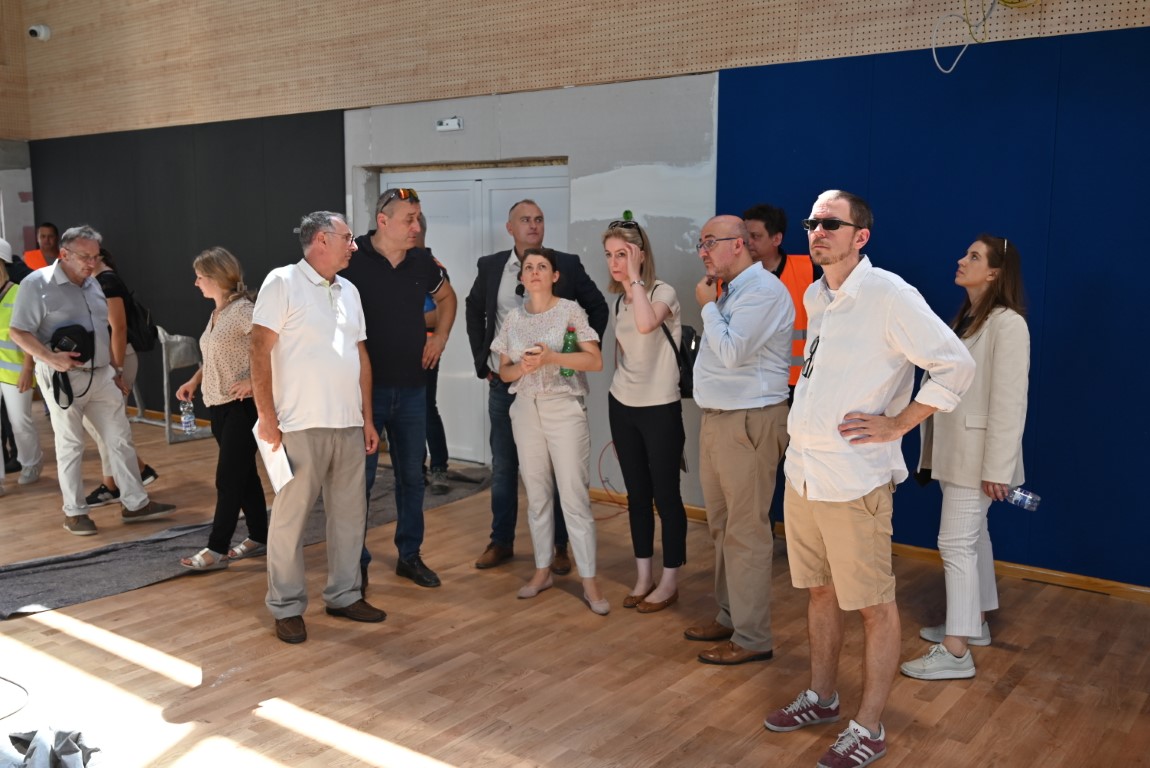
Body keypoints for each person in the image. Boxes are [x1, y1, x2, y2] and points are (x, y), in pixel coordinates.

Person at [763, 191, 974, 768]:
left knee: (874, 606)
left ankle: (870, 728)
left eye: (831, 224)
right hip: (805, 476)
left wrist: (900, 423)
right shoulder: (817, 294)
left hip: (855, 482)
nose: (818, 231)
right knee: (820, 591)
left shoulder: (888, 294)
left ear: (861, 236)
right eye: (813, 222)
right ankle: (822, 698)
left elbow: (956, 364)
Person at [900, 235, 1030, 681]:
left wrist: (998, 470)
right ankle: (974, 622)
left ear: (995, 272)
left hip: (978, 458)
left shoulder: (1008, 324)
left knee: (955, 544)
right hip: (959, 452)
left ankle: (956, 651)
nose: (961, 260)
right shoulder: (970, 319)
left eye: (974, 257)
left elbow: (1010, 402)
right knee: (975, 539)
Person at [251, 211, 384, 644]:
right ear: (322, 240)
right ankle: (286, 606)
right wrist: (267, 417)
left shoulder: (350, 290)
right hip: (298, 424)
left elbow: (360, 356)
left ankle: (344, 595)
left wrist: (367, 417)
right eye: (348, 237)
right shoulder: (282, 282)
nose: (354, 245)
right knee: (290, 520)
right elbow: (258, 349)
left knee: (350, 516)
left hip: (348, 423)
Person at [465, 199, 608, 571]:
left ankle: (560, 547)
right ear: (510, 227)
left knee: (559, 473)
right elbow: (474, 308)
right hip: (510, 383)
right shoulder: (491, 266)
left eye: (539, 219)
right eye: (525, 220)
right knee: (505, 467)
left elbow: (598, 308)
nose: (533, 225)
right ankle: (501, 541)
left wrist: (571, 355)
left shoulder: (567, 264)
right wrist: (485, 362)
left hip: (558, 388)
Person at [9, 225, 176, 535]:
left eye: (95, 256)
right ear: (64, 254)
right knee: (70, 444)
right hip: (63, 378)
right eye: (85, 257)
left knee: (120, 438)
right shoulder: (37, 284)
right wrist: (50, 359)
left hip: (102, 375)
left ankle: (135, 504)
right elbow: (18, 331)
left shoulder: (94, 285)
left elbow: (104, 331)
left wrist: (115, 370)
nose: (91, 263)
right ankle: (74, 513)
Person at [683, 216, 793, 664]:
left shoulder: (763, 290)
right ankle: (731, 616)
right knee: (722, 528)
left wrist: (707, 307)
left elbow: (731, 352)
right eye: (701, 243)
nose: (703, 251)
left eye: (710, 242)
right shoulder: (731, 291)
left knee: (746, 532)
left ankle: (752, 638)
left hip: (749, 421)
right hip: (719, 421)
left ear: (739, 244)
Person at [342, 188, 456, 589]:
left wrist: (440, 338)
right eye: (409, 219)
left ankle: (410, 555)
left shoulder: (421, 261)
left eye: (418, 218)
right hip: (364, 392)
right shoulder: (351, 257)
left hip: (411, 389)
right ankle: (354, 561)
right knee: (361, 482)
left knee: (411, 476)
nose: (416, 227)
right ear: (383, 220)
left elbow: (447, 298)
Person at [490, 248, 608, 613]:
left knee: (573, 496)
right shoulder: (513, 318)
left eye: (542, 266)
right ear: (522, 278)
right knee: (537, 494)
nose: (535, 271)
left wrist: (552, 357)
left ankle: (589, 580)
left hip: (563, 406)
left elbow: (595, 360)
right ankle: (542, 571)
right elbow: (504, 371)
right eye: (528, 267)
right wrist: (523, 368)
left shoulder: (570, 311)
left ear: (554, 276)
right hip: (525, 408)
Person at [602, 219, 687, 613]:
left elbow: (645, 323)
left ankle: (669, 581)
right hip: (623, 405)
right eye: (609, 255)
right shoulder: (618, 301)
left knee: (666, 496)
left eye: (622, 254)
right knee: (637, 495)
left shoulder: (661, 292)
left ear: (640, 254)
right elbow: (624, 353)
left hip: (660, 407)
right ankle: (643, 577)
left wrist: (635, 278)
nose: (614, 263)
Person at [176, 247, 269, 572]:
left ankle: (216, 548)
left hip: (243, 407)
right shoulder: (217, 313)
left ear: (216, 277)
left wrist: (254, 382)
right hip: (217, 406)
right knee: (244, 476)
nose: (196, 283)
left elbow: (275, 346)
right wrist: (194, 381)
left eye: (200, 276)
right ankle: (260, 535)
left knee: (228, 479)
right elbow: (214, 356)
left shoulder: (243, 311)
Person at [81, 248, 159, 507]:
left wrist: (117, 369)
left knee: (108, 424)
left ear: (98, 258)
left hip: (118, 360)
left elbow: (119, 328)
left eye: (87, 256)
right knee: (103, 425)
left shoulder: (108, 282)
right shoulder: (97, 282)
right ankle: (138, 469)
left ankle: (112, 485)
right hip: (111, 361)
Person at [742, 203, 819, 396]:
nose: (747, 242)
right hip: (748, 382)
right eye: (745, 236)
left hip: (797, 382)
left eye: (755, 236)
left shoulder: (808, 270)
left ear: (776, 238)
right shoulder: (728, 278)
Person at [0, 240, 44, 492]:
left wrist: (28, 367)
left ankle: (31, 463)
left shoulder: (19, 293)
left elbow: (31, 333)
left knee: (20, 422)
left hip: (16, 371)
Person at [417, 213, 450, 496]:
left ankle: (439, 467)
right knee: (406, 412)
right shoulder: (395, 264)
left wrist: (405, 319)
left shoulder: (433, 267)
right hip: (398, 350)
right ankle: (417, 469)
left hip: (427, 348)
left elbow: (440, 314)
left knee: (427, 408)